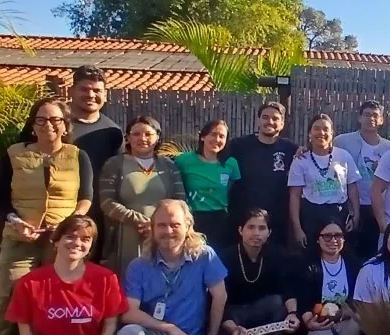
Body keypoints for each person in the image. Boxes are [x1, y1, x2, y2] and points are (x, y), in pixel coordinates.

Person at [0, 97, 94, 335]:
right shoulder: (14, 155)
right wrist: (16, 220)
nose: (48, 125)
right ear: (32, 124)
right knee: (8, 303)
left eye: (55, 120)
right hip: (20, 240)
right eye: (41, 119)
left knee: (54, 306)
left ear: (65, 124)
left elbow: (86, 196)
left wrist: (72, 223)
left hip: (61, 243)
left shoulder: (77, 156)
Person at [113, 199, 231, 335]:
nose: (168, 231)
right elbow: (128, 313)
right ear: (152, 228)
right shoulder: (139, 265)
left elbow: (220, 296)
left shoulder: (205, 256)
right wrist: (169, 328)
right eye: (161, 225)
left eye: (175, 225)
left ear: (188, 225)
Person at [18, 66, 124, 257]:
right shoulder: (49, 123)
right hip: (43, 216)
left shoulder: (113, 132)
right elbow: (19, 162)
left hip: (93, 217)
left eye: (97, 90)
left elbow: (119, 174)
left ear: (105, 94)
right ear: (72, 90)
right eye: (84, 89)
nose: (91, 95)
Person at [99, 115, 187, 277]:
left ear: (157, 137)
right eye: (136, 134)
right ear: (128, 137)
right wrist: (136, 219)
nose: (142, 139)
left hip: (163, 234)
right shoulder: (114, 164)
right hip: (126, 235)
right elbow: (106, 201)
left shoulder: (168, 166)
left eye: (148, 134)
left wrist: (156, 224)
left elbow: (180, 200)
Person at [219, 209, 300, 335]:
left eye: (262, 228)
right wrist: (233, 328)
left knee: (278, 303)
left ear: (269, 232)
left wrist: (292, 314)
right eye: (251, 227)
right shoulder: (226, 257)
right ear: (241, 230)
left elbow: (286, 289)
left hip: (261, 308)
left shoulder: (276, 254)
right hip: (231, 314)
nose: (256, 233)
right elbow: (219, 301)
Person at [228, 102, 298, 247]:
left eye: (275, 118)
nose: (270, 122)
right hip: (242, 219)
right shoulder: (238, 146)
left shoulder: (291, 150)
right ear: (258, 120)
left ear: (282, 123)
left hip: (277, 222)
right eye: (265, 117)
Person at [288, 113, 361, 252]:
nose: (321, 132)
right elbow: (294, 196)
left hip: (339, 213)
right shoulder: (300, 160)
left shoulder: (344, 156)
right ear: (310, 132)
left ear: (332, 133)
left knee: (341, 254)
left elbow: (352, 188)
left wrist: (356, 216)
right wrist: (297, 228)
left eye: (325, 129)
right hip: (311, 215)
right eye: (316, 128)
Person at [296, 217, 361, 335]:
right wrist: (309, 323)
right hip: (318, 319)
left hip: (344, 317)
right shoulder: (308, 265)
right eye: (327, 236)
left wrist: (349, 310)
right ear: (318, 239)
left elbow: (359, 295)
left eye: (338, 235)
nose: (333, 240)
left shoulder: (353, 263)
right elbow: (303, 298)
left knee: (356, 322)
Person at [334, 100, 390, 258]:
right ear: (360, 118)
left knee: (372, 250)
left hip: (376, 207)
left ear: (382, 120)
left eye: (375, 115)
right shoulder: (342, 142)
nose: (371, 119)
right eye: (367, 115)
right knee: (347, 249)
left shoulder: (389, 149)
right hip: (350, 205)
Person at [174, 120, 241, 251]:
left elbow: (234, 191)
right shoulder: (184, 160)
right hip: (191, 219)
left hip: (220, 220)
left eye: (222, 136)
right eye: (213, 134)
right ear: (203, 136)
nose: (217, 139)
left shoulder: (231, 163)